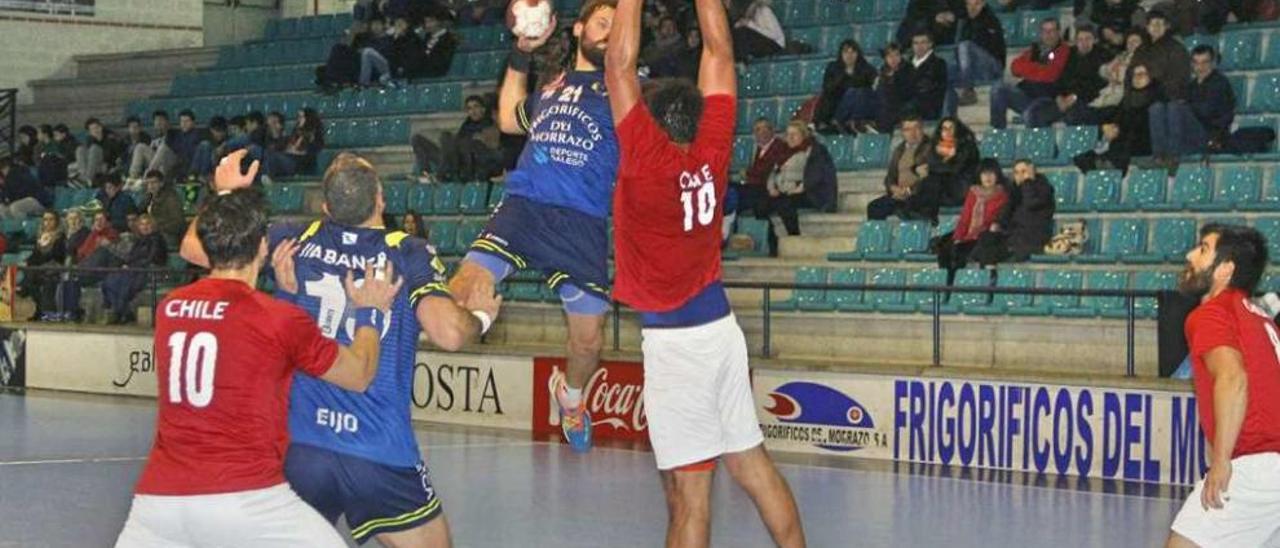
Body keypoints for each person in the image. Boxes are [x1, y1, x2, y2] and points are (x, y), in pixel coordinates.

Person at [180, 150, 502, 546]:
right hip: (379, 450)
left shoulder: (294, 239)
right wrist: (483, 317)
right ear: (381, 198)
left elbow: (194, 249)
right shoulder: (406, 252)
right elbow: (450, 333)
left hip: (304, 447)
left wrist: (227, 192)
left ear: (326, 207)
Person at [604, 0, 806, 544]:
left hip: (677, 344)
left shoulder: (645, 158)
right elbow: (720, 50)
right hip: (721, 330)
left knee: (688, 501)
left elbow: (618, 66)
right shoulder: (711, 149)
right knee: (752, 466)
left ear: (652, 121)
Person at [113, 181, 402, 548]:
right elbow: (359, 374)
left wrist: (223, 192)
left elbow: (239, 340)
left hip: (157, 504)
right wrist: (370, 313)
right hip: (246, 498)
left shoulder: (170, 308)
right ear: (263, 246)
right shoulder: (277, 320)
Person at [449, 0, 618, 453]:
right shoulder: (552, 84)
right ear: (580, 28)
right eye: (603, 24)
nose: (609, 34)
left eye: (618, 29)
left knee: (588, 343)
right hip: (525, 207)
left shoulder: (624, 88)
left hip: (581, 223)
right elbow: (507, 118)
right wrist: (521, 53)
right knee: (462, 287)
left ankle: (573, 398)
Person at [1166, 223, 1280, 548]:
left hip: (1257, 466)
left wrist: (1221, 460)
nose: (1190, 255)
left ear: (1225, 269)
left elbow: (1233, 378)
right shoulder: (1260, 317)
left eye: (1203, 249)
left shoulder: (1212, 313)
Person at [1150, 45, 1235, 160]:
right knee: (1156, 108)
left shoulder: (1220, 83)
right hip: (1189, 134)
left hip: (1209, 137)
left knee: (1176, 108)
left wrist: (1186, 106)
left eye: (1205, 62)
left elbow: (1209, 113)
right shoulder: (1191, 86)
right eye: (1196, 63)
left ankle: (1174, 156)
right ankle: (1159, 156)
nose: (1200, 67)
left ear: (1213, 63)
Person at [989, 18, 1071, 129]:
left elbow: (1051, 75)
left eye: (1052, 30)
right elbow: (1015, 67)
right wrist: (1039, 69)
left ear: (1058, 32)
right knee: (998, 88)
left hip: (1050, 99)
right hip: (1027, 95)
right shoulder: (1035, 49)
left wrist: (1029, 71)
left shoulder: (1065, 50)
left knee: (1032, 113)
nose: (1048, 34)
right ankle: (998, 133)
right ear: (1040, 33)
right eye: (1045, 31)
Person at [936, 160, 1008, 284]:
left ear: (997, 175)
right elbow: (965, 218)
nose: (988, 177)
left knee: (964, 251)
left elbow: (997, 219)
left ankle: (972, 284)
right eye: (984, 174)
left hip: (985, 235)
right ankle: (947, 283)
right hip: (969, 235)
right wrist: (958, 237)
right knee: (945, 247)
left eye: (991, 174)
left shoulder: (1003, 195)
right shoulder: (973, 192)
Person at [411, 96, 503, 182]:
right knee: (417, 139)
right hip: (452, 160)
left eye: (476, 107)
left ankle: (441, 175)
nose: (473, 111)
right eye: (469, 108)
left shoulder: (490, 125)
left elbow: (492, 149)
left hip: (467, 165)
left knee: (448, 138)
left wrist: (481, 139)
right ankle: (426, 173)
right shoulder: (466, 126)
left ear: (483, 109)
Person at [101, 214, 168, 325]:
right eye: (142, 224)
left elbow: (151, 258)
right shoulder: (138, 240)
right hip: (133, 269)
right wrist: (126, 264)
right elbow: (131, 256)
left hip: (149, 271)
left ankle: (120, 313)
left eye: (148, 224)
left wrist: (132, 266)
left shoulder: (157, 239)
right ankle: (125, 312)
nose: (145, 227)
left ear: (153, 226)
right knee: (108, 282)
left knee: (125, 284)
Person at [1042, 25, 1113, 126]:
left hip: (1089, 101)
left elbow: (1098, 84)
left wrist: (1074, 97)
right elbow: (1057, 77)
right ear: (1075, 41)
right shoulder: (1067, 55)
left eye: (1088, 39)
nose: (1084, 43)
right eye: (1080, 39)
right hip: (1064, 99)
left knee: (1073, 115)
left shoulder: (1103, 55)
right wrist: (1058, 97)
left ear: (1095, 40)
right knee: (1035, 114)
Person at [867, 115, 933, 221]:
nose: (913, 133)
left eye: (916, 128)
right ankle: (880, 236)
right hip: (899, 194)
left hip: (918, 195)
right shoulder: (899, 150)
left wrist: (908, 191)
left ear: (922, 129)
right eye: (908, 130)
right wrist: (893, 188)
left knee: (908, 207)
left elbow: (930, 177)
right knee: (874, 207)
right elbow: (890, 177)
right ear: (902, 132)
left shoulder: (931, 149)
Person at [813, 40, 878, 135]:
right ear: (841, 54)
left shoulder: (867, 69)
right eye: (846, 52)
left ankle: (857, 122)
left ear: (857, 54)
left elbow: (875, 85)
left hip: (859, 108)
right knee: (851, 92)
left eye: (852, 52)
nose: (849, 55)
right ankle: (839, 121)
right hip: (836, 107)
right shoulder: (833, 68)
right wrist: (842, 76)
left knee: (861, 92)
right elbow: (827, 90)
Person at [997, 159, 1055, 262]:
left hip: (1034, 236)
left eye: (1024, 172)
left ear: (1032, 172)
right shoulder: (1014, 192)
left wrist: (1028, 183)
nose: (1020, 176)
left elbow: (1030, 204)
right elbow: (1004, 216)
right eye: (1016, 172)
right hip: (1015, 235)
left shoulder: (1043, 189)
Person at [954, 0, 1006, 106]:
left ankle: (968, 91)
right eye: (969, 4)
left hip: (992, 68)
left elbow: (993, 50)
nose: (972, 8)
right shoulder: (964, 21)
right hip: (973, 69)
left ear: (983, 4)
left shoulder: (990, 20)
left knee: (965, 45)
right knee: (947, 67)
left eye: (976, 4)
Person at [766, 121, 812, 238]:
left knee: (785, 204)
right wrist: (771, 188)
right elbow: (772, 174)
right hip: (780, 191)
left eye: (794, 134)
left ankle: (794, 236)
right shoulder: (782, 152)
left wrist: (799, 187)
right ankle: (772, 242)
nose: (790, 138)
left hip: (799, 192)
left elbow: (814, 175)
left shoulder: (810, 152)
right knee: (759, 204)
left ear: (803, 135)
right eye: (788, 134)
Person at [920, 116, 978, 209]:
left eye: (951, 128)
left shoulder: (967, 147)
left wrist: (948, 159)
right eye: (944, 129)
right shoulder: (934, 148)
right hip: (941, 189)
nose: (947, 131)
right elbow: (931, 166)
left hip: (961, 189)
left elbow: (956, 168)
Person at [19, 211, 66, 321]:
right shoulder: (40, 236)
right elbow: (35, 255)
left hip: (54, 267)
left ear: (57, 221)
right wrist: (26, 262)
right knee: (30, 273)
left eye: (51, 219)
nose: (48, 222)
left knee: (31, 274)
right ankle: (38, 307)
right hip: (40, 268)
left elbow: (57, 256)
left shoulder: (60, 237)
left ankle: (24, 290)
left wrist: (37, 260)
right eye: (45, 219)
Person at [736, 117, 788, 217]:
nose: (762, 132)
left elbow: (766, 170)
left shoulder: (779, 146)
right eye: (758, 130)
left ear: (772, 130)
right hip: (756, 187)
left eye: (765, 129)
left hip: (766, 188)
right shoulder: (760, 149)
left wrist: (747, 173)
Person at [903, 31, 948, 121]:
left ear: (930, 44)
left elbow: (931, 87)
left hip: (927, 105)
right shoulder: (905, 65)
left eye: (923, 42)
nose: (919, 46)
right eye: (916, 43)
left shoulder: (938, 63)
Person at [0, 156, 52, 220]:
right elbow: (5, 197)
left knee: (15, 207)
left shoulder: (19, 172)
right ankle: (12, 228)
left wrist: (7, 197)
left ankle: (26, 226)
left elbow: (24, 192)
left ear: (6, 167)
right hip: (24, 201)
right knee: (1, 208)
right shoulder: (7, 179)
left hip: (37, 201)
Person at [141, 171, 186, 244]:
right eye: (148, 183)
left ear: (161, 183)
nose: (151, 186)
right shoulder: (148, 198)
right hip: (150, 232)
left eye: (154, 182)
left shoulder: (171, 198)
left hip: (168, 235)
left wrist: (156, 227)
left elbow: (178, 223)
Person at [875, 43, 911, 132]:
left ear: (901, 56)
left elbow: (905, 93)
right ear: (885, 58)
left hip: (900, 105)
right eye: (890, 56)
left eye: (896, 55)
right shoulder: (883, 71)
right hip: (883, 105)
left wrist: (893, 78)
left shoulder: (908, 70)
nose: (893, 59)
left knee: (885, 112)